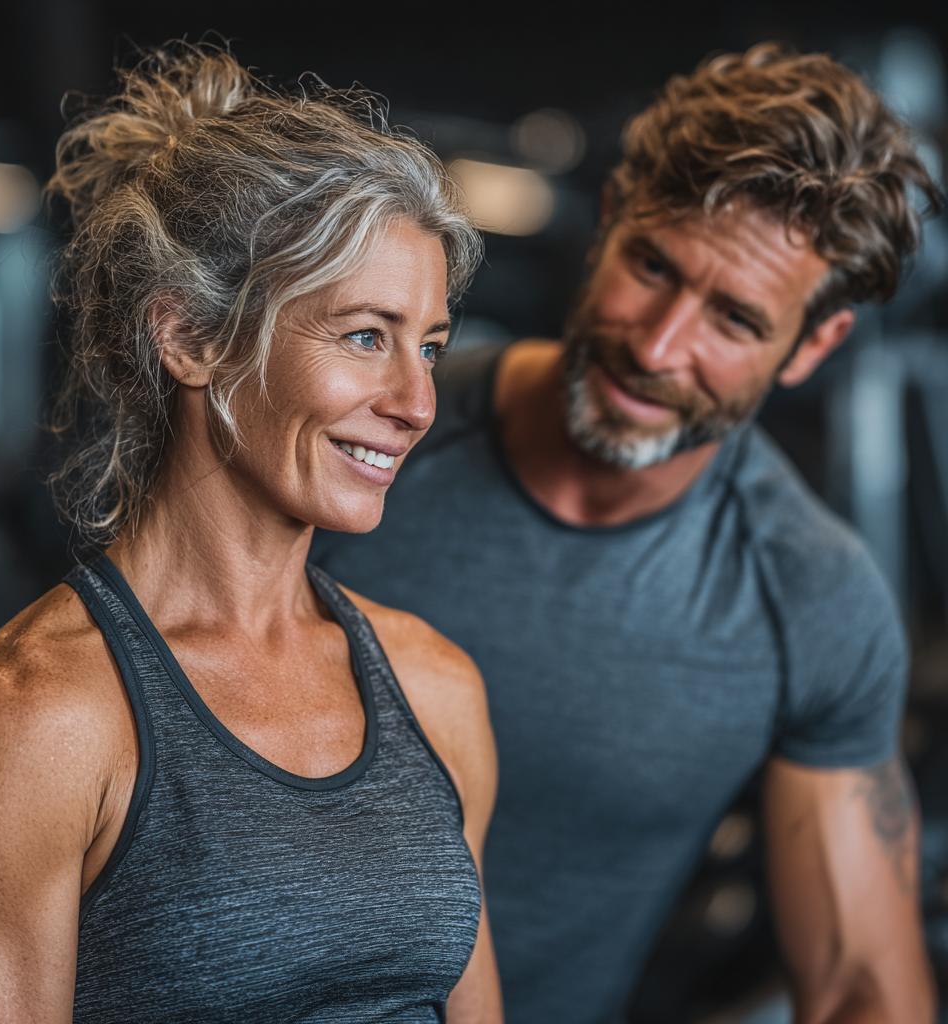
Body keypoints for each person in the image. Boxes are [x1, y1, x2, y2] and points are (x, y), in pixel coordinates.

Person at [311, 43, 944, 1024]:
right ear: (608, 218)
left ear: (811, 345)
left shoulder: (810, 597)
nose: (656, 346)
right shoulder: (363, 439)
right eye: (652, 265)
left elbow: (864, 982)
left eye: (732, 318)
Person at [0, 45, 502, 1024]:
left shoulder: (435, 688)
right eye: (367, 335)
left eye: (431, 346)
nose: (416, 402)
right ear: (191, 336)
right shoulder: (35, 721)